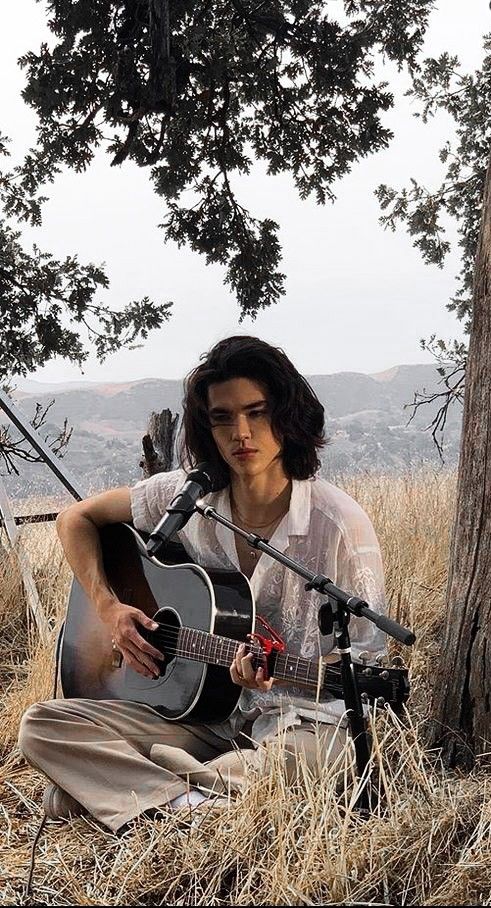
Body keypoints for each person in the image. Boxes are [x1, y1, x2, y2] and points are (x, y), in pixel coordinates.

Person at [18, 335, 387, 835]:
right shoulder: (184, 496)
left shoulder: (338, 524)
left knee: (312, 760)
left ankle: (143, 791)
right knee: (42, 726)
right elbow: (75, 519)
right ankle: (191, 796)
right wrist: (108, 608)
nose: (241, 433)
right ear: (205, 426)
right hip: (201, 718)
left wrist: (276, 676)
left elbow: (365, 666)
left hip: (300, 723)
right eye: (222, 418)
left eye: (256, 412)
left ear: (287, 415)